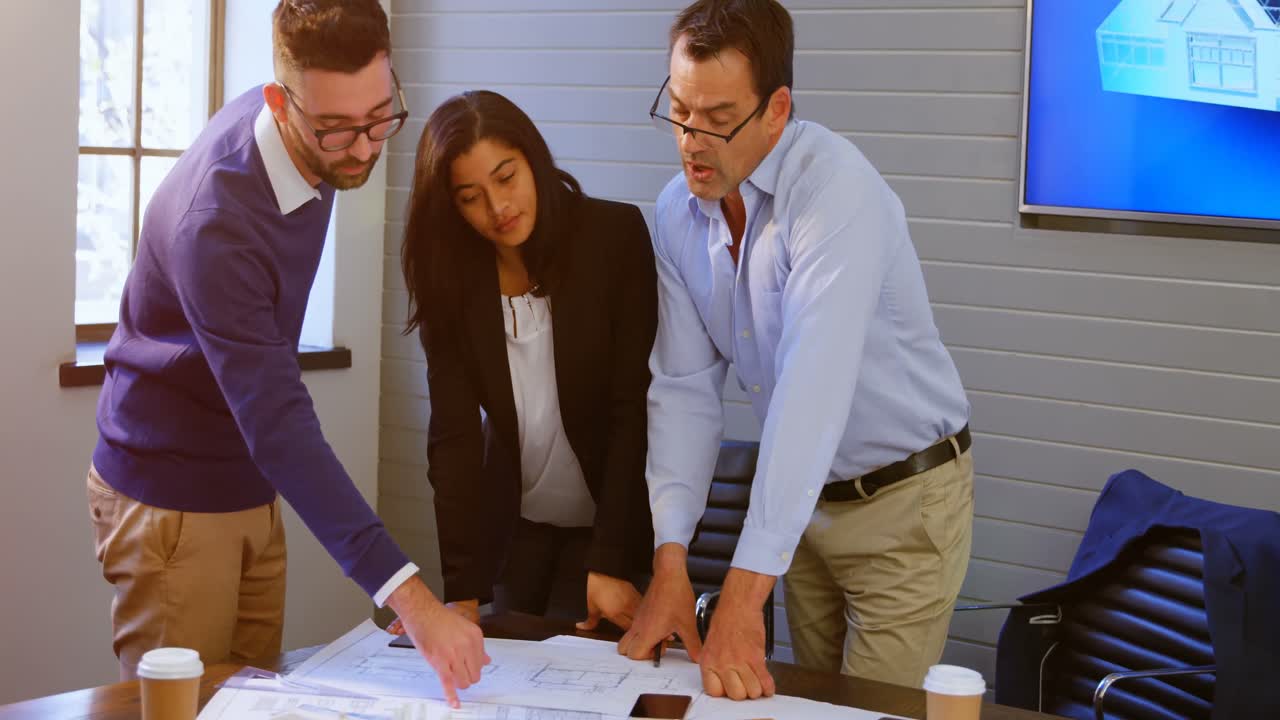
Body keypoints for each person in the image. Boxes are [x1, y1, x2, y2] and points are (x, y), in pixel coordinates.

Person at [86, 0, 487, 704]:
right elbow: (278, 422)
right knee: (186, 713)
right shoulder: (217, 221)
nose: (363, 148)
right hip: (170, 494)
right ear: (280, 100)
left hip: (246, 480)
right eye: (336, 131)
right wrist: (415, 603)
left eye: (377, 118)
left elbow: (267, 421)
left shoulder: (323, 134)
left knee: (256, 704)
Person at [618, 0, 975, 700]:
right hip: (800, 513)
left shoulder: (835, 190)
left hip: (902, 500)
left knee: (869, 710)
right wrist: (670, 561)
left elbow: (813, 390)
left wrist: (743, 598)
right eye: (681, 110)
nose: (692, 139)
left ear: (777, 110)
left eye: (719, 120)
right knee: (809, 704)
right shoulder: (674, 213)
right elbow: (685, 389)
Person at [391, 90, 658, 634]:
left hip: (617, 527)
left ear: (533, 158)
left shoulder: (612, 237)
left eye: (506, 177)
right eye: (470, 196)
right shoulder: (454, 277)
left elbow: (634, 408)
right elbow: (454, 437)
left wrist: (609, 558)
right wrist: (461, 590)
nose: (497, 209)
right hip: (518, 530)